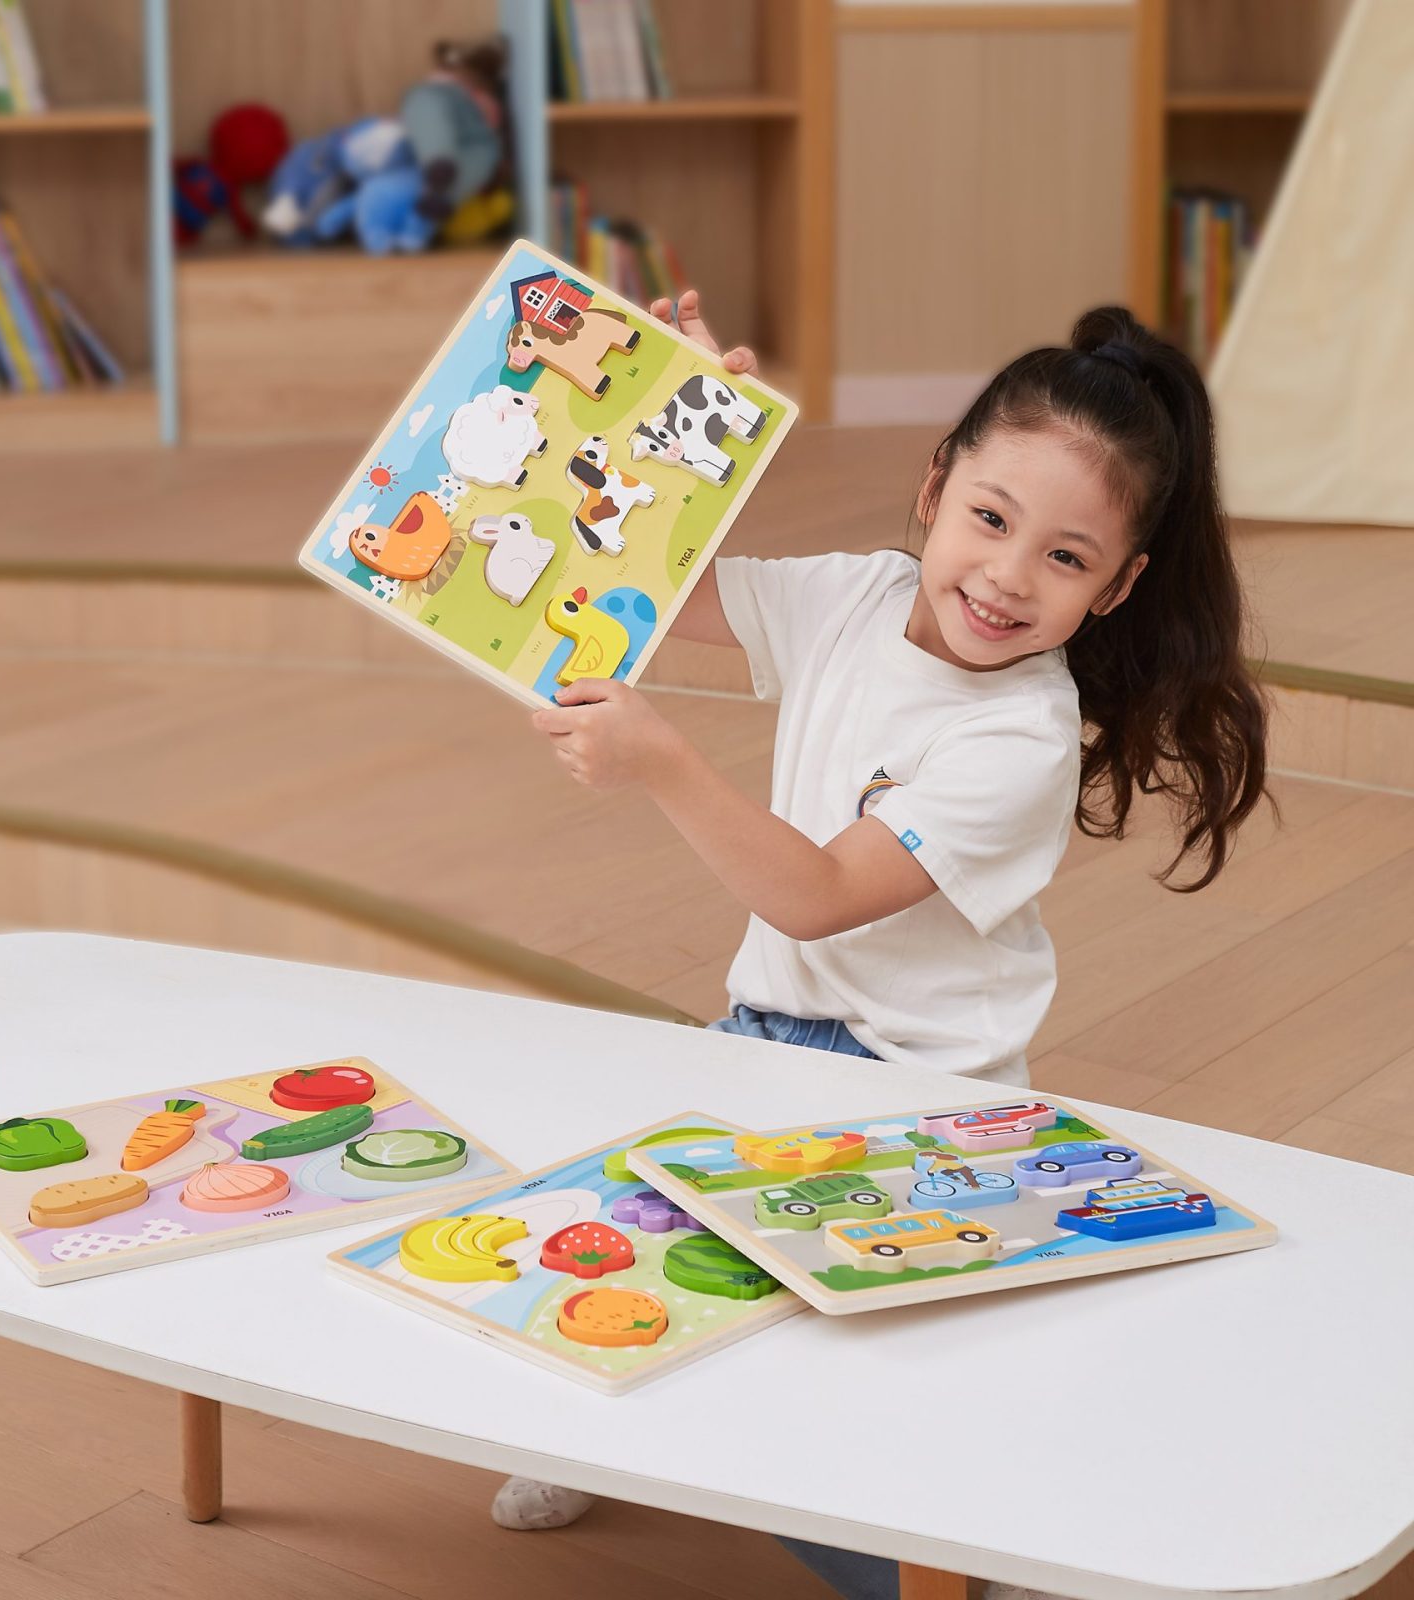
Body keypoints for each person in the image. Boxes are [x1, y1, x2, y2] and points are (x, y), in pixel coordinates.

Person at [493, 289, 1270, 1600]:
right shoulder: (855, 596)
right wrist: (684, 423)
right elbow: (660, 583)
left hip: (919, 1092)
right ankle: (607, 1437)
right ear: (933, 489)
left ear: (1119, 586)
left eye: (1066, 558)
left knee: (824, 1402)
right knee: (619, 1233)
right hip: (763, 1041)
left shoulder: (1020, 739)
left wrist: (664, 762)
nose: (1008, 577)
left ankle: (956, 1564)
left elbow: (813, 896)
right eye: (990, 519)